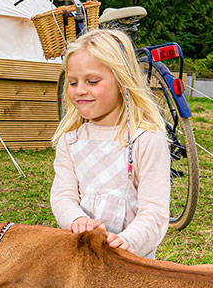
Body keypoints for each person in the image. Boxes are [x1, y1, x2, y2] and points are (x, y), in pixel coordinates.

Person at [50, 28, 170, 259]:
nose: (80, 90)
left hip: (131, 262)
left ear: (122, 80)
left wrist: (127, 241)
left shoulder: (145, 139)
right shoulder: (71, 139)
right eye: (73, 82)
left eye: (92, 81)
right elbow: (63, 195)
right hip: (82, 258)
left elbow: (154, 213)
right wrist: (76, 220)